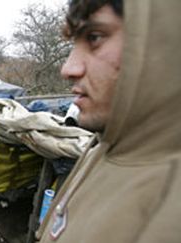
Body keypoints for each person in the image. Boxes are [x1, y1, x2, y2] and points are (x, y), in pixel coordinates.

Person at [36, 0, 181, 242]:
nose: (68, 68)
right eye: (74, 43)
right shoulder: (103, 148)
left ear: (161, 42)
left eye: (94, 37)